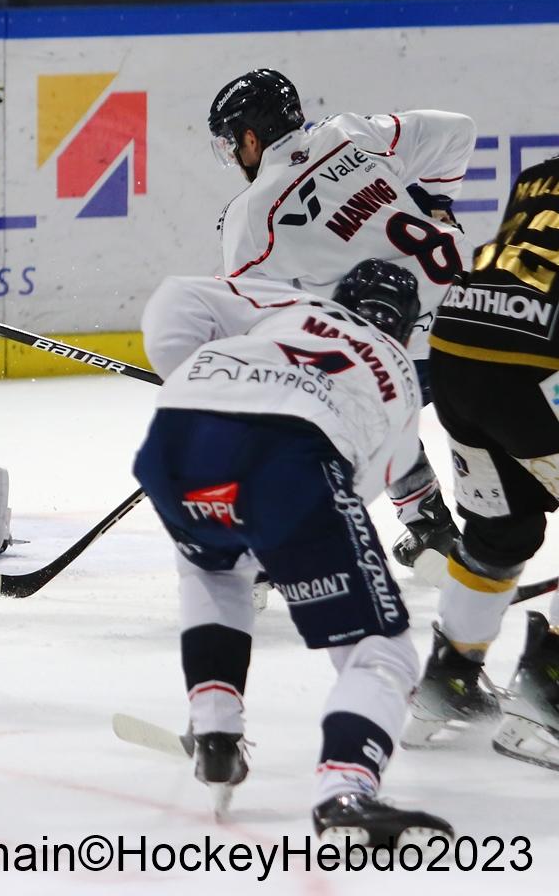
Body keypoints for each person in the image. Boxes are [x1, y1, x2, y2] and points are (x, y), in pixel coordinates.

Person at [133, 260, 451, 844]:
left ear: (340, 296)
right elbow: (362, 485)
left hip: (175, 437)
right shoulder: (402, 376)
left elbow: (178, 294)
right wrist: (287, 544)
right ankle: (345, 790)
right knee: (380, 652)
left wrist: (197, 381)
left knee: (213, 570)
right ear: (407, 331)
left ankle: (216, 732)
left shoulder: (292, 305)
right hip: (293, 459)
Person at [209, 69, 476, 567]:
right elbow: (457, 130)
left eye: (232, 143)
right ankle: (433, 527)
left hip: (409, 352)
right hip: (475, 315)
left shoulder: (251, 215)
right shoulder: (350, 132)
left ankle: (265, 558)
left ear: (250, 138)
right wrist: (436, 205)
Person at [405, 153, 559, 769]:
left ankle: (450, 681)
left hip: (458, 344)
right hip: (534, 362)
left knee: (502, 531)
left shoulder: (540, 173)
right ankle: (549, 699)